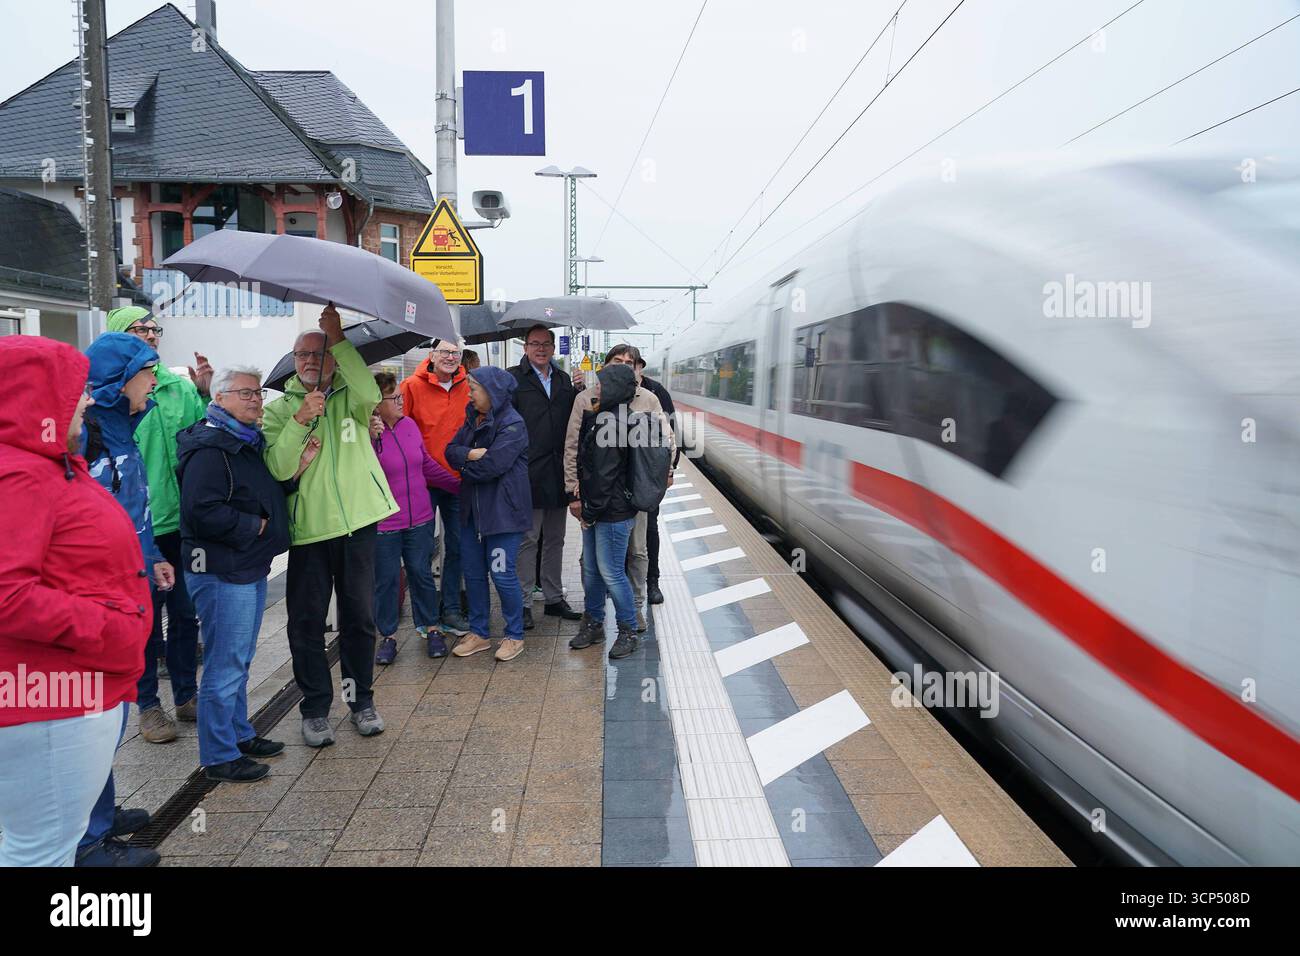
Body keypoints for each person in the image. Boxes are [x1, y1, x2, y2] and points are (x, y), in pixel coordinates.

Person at [0, 337, 152, 866]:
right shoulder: (19, 473)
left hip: (62, 689)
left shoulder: (41, 462)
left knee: (40, 846)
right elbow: (7, 594)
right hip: (49, 700)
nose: (87, 401)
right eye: (74, 391)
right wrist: (111, 630)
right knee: (40, 854)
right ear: (36, 398)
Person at [262, 306, 399, 748]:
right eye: (301, 354)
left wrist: (337, 334)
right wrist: (301, 419)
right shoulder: (279, 409)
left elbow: (367, 389)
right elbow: (280, 469)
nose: (308, 362)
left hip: (358, 523)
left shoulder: (352, 398)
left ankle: (361, 703)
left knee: (359, 618)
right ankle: (316, 709)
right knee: (306, 622)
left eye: (318, 354)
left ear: (335, 359)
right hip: (310, 531)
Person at [177, 367, 306, 782]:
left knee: (240, 659)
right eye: (246, 393)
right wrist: (256, 527)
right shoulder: (211, 448)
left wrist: (295, 475)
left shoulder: (244, 440)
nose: (255, 400)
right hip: (221, 568)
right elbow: (201, 510)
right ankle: (218, 756)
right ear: (220, 397)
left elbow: (256, 489)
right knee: (224, 664)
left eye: (257, 393)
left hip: (246, 564)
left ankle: (238, 734)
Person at [76, 330, 172, 867]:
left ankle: (104, 815)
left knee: (111, 712)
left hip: (128, 592)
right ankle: (87, 843)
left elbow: (133, 511)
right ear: (119, 379)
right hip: (101, 602)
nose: (154, 381)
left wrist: (153, 553)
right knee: (95, 720)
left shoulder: (122, 428)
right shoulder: (89, 437)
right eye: (147, 371)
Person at [105, 307, 205, 743]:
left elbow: (200, 443)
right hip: (133, 531)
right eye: (138, 329)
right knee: (144, 621)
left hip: (178, 525)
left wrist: (203, 392)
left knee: (185, 615)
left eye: (153, 329)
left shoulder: (178, 388)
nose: (150, 334)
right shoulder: (109, 400)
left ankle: (187, 695)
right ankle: (148, 706)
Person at [564, 344, 673, 634]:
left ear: (637, 368)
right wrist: (573, 490)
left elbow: (665, 443)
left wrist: (662, 476)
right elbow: (572, 447)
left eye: (629, 362)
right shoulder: (587, 400)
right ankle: (595, 617)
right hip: (595, 498)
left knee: (636, 552)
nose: (623, 366)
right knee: (593, 562)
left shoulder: (647, 400)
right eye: (617, 361)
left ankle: (633, 612)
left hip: (628, 498)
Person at [369, 372, 461, 663]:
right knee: (386, 580)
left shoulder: (409, 425)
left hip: (419, 518)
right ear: (375, 403)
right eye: (393, 398)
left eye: (400, 396)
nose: (400, 401)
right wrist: (370, 437)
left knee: (421, 574)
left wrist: (459, 486)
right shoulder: (367, 434)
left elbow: (427, 466)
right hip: (385, 523)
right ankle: (388, 636)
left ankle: (431, 628)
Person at [445, 367, 532, 662]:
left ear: (492, 392)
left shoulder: (513, 424)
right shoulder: (473, 418)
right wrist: (470, 454)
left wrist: (465, 463)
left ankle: (514, 635)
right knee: (473, 574)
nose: (469, 394)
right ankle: (480, 633)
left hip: (503, 516)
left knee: (502, 575)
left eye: (474, 388)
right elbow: (449, 451)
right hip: (473, 514)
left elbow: (492, 466)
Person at [567, 363, 645, 659]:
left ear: (613, 388)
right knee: (593, 570)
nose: (595, 389)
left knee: (611, 572)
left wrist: (589, 511)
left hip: (610, 512)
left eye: (600, 384)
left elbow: (605, 476)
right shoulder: (614, 418)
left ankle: (627, 630)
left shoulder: (612, 424)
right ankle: (594, 622)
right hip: (604, 509)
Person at [509, 325, 582, 630]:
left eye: (546, 344)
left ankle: (553, 598)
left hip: (557, 473)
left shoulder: (564, 381)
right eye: (535, 344)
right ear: (525, 347)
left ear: (554, 348)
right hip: (527, 472)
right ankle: (523, 602)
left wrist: (580, 392)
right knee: (528, 540)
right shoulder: (513, 379)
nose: (541, 349)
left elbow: (573, 423)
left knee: (555, 539)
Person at [401, 340, 473, 637]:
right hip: (423, 483)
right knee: (419, 551)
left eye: (455, 352)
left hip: (458, 482)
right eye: (444, 351)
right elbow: (400, 429)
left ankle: (452, 610)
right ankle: (426, 615)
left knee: (457, 548)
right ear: (431, 355)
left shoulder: (469, 386)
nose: (450, 357)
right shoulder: (411, 386)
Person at [635, 355, 679, 607]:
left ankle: (652, 581)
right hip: (619, 477)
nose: (630, 368)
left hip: (649, 475)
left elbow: (670, 432)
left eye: (634, 363)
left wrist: (670, 470)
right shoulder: (607, 391)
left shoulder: (656, 392)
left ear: (640, 367)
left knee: (650, 528)